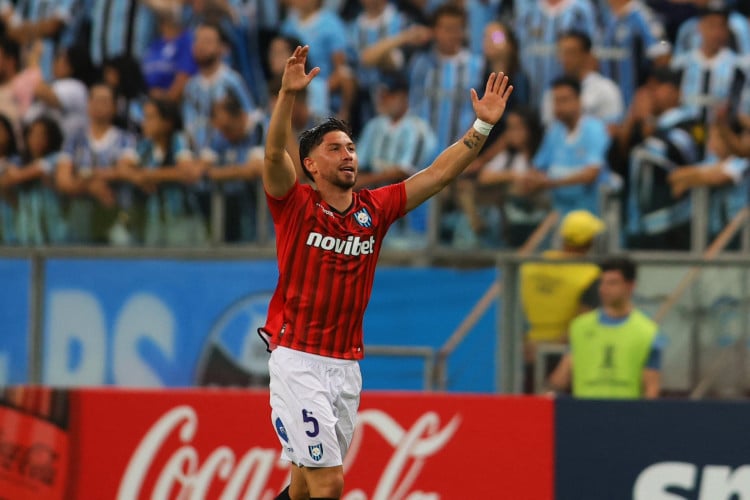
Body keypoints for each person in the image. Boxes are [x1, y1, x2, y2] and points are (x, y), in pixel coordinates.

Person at [260, 45, 512, 500]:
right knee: (329, 483)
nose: (348, 155)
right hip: (297, 358)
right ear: (311, 165)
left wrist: (483, 126)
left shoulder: (374, 210)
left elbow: (436, 175)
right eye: (334, 149)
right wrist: (286, 97)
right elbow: (275, 157)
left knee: (303, 487)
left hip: (346, 365)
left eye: (351, 147)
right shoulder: (295, 204)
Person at [546, 256, 664, 399]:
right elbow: (562, 376)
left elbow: (651, 388)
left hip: (626, 416)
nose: (603, 289)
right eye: (602, 283)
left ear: (630, 286)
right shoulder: (580, 326)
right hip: (585, 414)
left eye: (612, 283)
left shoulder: (648, 332)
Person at [520, 209, 605, 393]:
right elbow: (583, 322)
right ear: (590, 242)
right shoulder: (590, 274)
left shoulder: (534, 264)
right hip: (562, 355)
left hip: (527, 350)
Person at [518, 76, 610, 217]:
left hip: (590, 216)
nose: (559, 106)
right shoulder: (554, 131)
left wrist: (549, 183)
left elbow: (591, 174)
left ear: (579, 101)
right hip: (559, 212)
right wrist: (530, 180)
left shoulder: (595, 129)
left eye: (564, 100)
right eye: (555, 101)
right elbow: (537, 167)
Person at [541, 30, 624, 127]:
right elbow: (549, 128)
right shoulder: (552, 92)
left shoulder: (606, 89)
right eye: (561, 52)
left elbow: (612, 129)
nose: (564, 58)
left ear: (587, 55)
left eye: (571, 52)